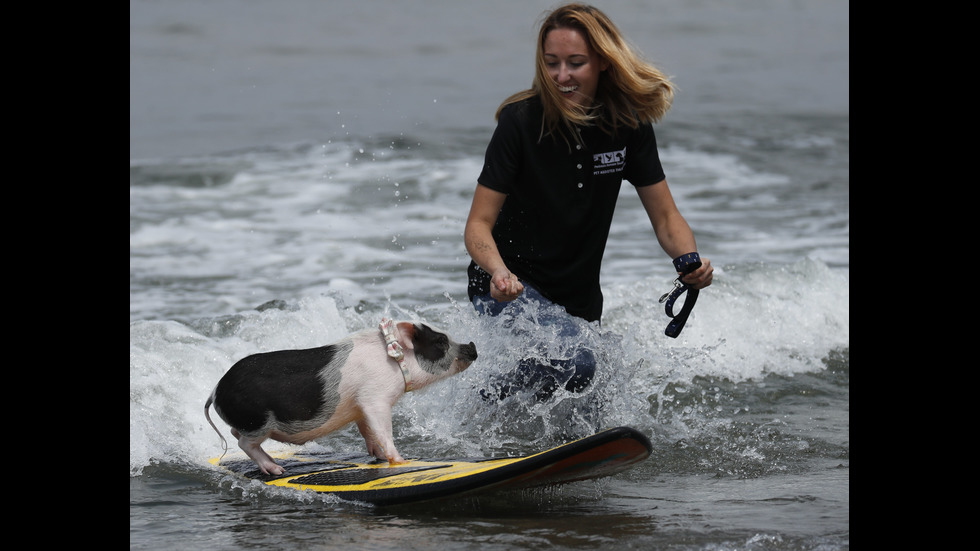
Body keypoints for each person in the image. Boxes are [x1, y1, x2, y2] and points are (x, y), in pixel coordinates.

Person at [464, 3, 713, 401]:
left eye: (575, 63)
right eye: (551, 63)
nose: (562, 76)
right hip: (507, 288)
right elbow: (478, 224)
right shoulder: (521, 122)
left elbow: (666, 217)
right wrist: (498, 273)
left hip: (578, 300)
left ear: (602, 62)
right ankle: (483, 402)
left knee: (597, 389)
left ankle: (522, 431)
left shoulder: (627, 125)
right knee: (578, 365)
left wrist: (690, 261)